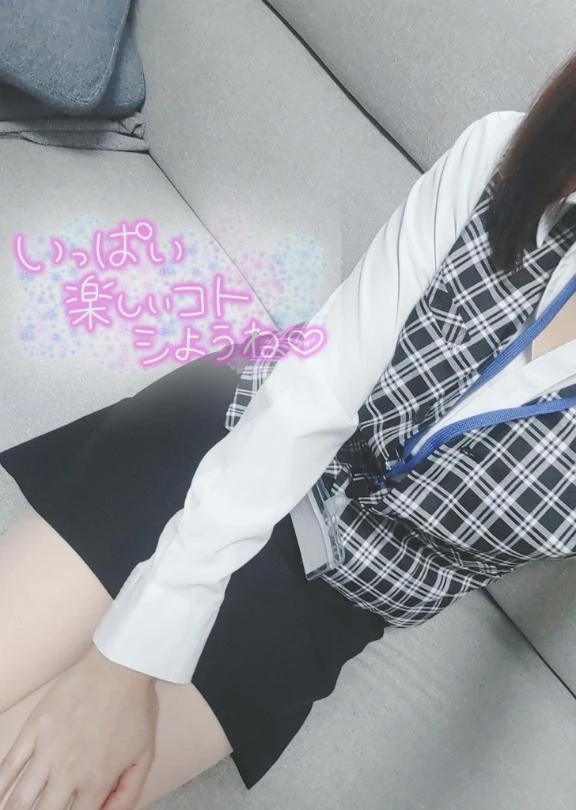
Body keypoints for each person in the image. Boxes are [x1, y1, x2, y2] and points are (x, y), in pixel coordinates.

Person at [0, 48, 575, 810]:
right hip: (234, 434)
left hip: (329, 595)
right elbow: (313, 394)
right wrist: (125, 658)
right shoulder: (499, 160)